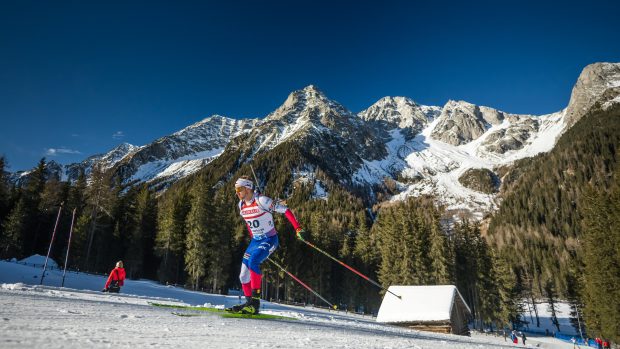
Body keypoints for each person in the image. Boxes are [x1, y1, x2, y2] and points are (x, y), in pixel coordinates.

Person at [228, 176, 304, 315]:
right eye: (236, 190)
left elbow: (285, 210)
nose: (237, 192)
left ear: (248, 188)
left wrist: (298, 229)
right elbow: (249, 223)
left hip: (269, 239)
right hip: (255, 241)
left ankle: (255, 304)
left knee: (253, 262)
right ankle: (249, 302)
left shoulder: (262, 200)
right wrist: (253, 237)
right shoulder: (241, 205)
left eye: (239, 189)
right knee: (243, 276)